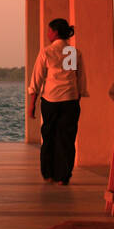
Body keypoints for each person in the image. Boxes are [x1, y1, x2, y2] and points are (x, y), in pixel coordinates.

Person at [27, 19, 87, 185]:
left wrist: (32, 104)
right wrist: (77, 98)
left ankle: (49, 173)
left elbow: (36, 79)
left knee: (49, 136)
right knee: (67, 138)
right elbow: (80, 79)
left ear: (55, 32)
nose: (47, 34)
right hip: (70, 100)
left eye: (49, 31)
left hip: (51, 100)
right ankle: (64, 176)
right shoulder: (74, 53)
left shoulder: (46, 52)